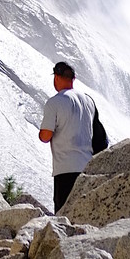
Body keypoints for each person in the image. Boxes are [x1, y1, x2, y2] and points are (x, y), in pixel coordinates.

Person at [38, 59, 97, 213]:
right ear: (73, 79)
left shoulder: (55, 102)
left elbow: (45, 136)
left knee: (63, 215)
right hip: (87, 167)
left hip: (65, 168)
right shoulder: (88, 101)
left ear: (56, 77)